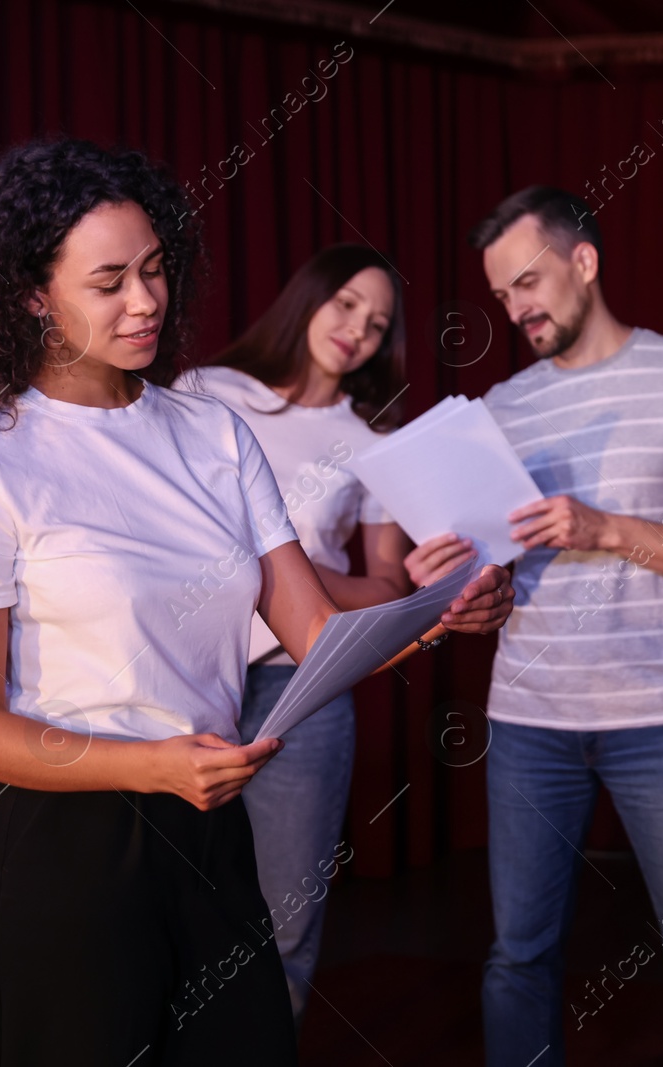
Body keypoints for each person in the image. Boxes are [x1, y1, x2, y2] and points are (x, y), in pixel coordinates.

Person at [0, 137, 513, 1066]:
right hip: (66, 847)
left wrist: (440, 614)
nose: (146, 300)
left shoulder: (211, 430)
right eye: (109, 281)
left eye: (154, 269)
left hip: (209, 825)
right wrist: (149, 765)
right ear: (34, 294)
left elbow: (318, 633)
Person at [467, 185, 663, 1067]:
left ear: (585, 261)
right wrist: (465, 589)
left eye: (528, 281)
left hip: (662, 717)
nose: (518, 307)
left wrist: (607, 529)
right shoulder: (500, 407)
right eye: (502, 295)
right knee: (516, 957)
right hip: (528, 718)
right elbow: (493, 559)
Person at [175, 243, 496, 1021]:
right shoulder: (204, 392)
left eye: (378, 322)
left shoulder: (374, 440)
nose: (358, 329)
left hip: (303, 684)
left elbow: (387, 586)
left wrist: (284, 575)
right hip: (185, 676)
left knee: (286, 919)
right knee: (175, 912)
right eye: (347, 303)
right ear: (307, 297)